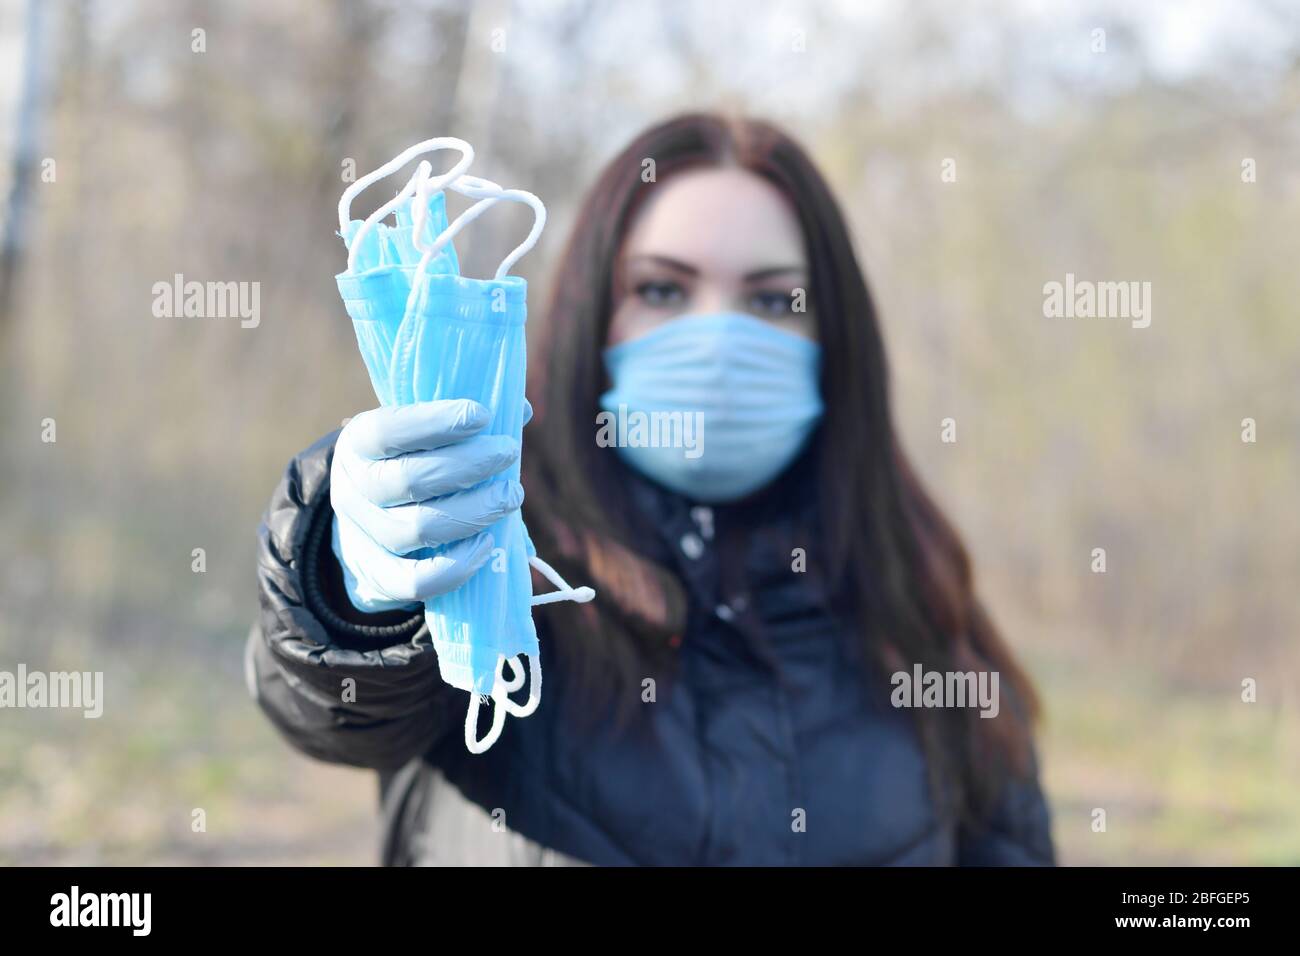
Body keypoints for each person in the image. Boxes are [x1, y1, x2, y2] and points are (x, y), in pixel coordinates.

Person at [245, 112, 1055, 866]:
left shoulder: (920, 610)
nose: (716, 338)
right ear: (595, 317)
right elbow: (328, 711)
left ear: (831, 337)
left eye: (772, 299)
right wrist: (346, 581)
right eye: (663, 289)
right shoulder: (498, 561)